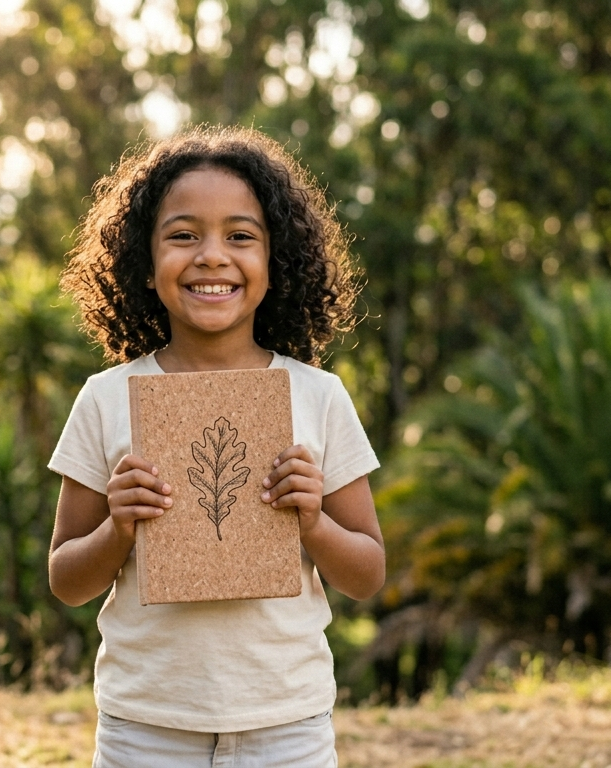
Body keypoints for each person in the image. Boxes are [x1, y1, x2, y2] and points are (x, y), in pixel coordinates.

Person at [49, 125, 384, 768]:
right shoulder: (105, 397)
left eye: (240, 236)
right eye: (182, 235)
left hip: (286, 726)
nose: (211, 256)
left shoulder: (317, 397)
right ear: (144, 266)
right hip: (145, 727)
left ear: (273, 260)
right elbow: (66, 579)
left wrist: (312, 522)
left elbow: (367, 574)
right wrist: (118, 530)